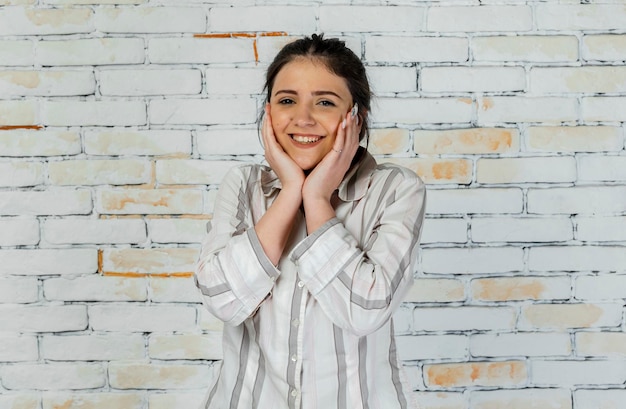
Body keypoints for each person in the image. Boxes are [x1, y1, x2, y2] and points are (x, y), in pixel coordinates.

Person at [194, 33, 426, 409]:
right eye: (287, 100)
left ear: (357, 115)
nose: (303, 118)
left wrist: (316, 198)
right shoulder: (243, 185)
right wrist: (289, 192)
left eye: (325, 102)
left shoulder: (396, 190)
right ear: (268, 111)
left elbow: (365, 310)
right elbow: (222, 299)